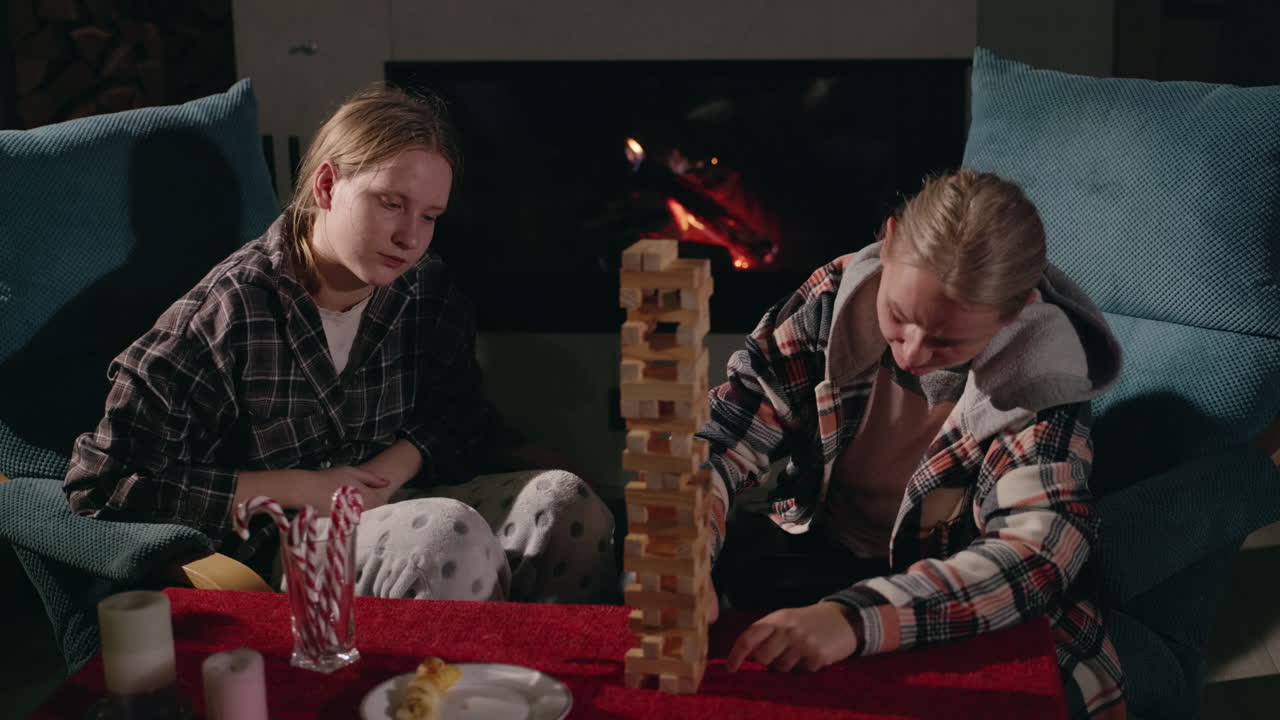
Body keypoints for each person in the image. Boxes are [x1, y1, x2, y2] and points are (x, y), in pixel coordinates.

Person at [63, 85, 617, 605]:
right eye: (390, 203)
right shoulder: (227, 312)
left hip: (408, 501)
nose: (411, 237)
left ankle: (553, 688)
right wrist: (306, 487)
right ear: (327, 186)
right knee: (447, 537)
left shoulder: (424, 288)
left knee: (566, 505)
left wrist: (392, 471)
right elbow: (106, 483)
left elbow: (459, 414)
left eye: (429, 216)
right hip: (285, 542)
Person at [700, 169, 1126, 719]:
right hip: (821, 551)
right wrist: (689, 537)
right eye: (898, 318)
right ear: (891, 239)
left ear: (1014, 309)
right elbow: (729, 427)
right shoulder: (833, 297)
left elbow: (1036, 554)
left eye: (947, 340)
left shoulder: (1044, 376)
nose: (912, 353)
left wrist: (856, 619)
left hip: (954, 590)